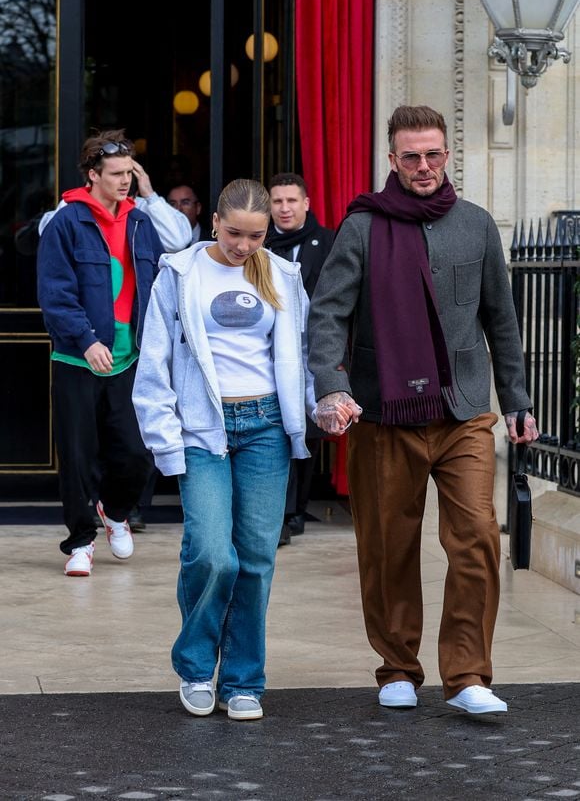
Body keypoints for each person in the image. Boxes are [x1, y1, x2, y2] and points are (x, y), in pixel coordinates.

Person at [307, 104, 539, 716]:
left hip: (463, 410)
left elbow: (502, 320)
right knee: (388, 544)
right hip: (384, 409)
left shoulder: (477, 225)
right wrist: (331, 385)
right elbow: (328, 313)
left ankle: (466, 677)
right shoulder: (360, 228)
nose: (424, 166)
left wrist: (516, 400)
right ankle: (397, 667)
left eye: (433, 154)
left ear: (446, 155)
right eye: (410, 156)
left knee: (478, 539)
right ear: (392, 160)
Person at [132, 178, 323, 721]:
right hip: (202, 429)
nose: (243, 246)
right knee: (212, 553)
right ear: (214, 222)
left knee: (257, 559)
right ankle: (195, 668)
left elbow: (303, 355)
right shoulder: (180, 273)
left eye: (256, 236)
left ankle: (243, 681)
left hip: (265, 426)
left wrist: (320, 406)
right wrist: (167, 444)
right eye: (235, 233)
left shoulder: (284, 276)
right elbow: (154, 365)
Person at [37, 129, 164, 576]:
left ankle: (114, 511)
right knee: (77, 454)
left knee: (136, 452)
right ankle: (80, 542)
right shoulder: (66, 222)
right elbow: (55, 294)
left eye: (129, 172)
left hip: (130, 358)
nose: (125, 181)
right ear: (93, 175)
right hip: (77, 358)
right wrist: (86, 339)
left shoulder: (140, 222)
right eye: (116, 174)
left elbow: (160, 284)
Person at [265, 172, 334, 545]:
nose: (285, 208)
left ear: (306, 203)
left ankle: (295, 510)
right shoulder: (259, 244)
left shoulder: (328, 242)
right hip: (269, 351)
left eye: (292, 200)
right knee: (276, 429)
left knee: (308, 429)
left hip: (314, 348)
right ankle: (279, 515)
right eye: (277, 201)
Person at [39, 159, 192, 254]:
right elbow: (48, 235)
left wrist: (150, 195)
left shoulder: (143, 208)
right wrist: (84, 194)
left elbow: (177, 242)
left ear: (135, 194)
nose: (116, 205)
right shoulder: (77, 207)